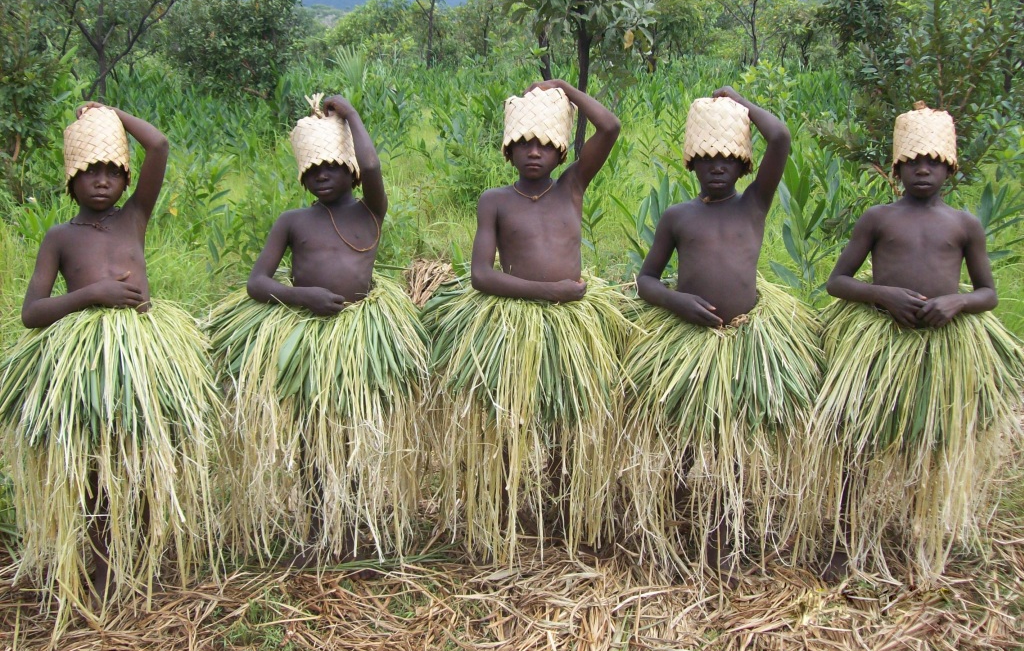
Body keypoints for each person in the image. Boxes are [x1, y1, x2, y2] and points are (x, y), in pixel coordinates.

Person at [0, 103, 219, 631]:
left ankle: (140, 562)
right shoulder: (60, 237)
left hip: (140, 353)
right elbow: (33, 313)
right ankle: (99, 568)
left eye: (112, 173)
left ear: (125, 181)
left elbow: (160, 146)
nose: (102, 182)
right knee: (97, 468)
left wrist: (114, 115)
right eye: (90, 173)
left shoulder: (133, 218)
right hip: (86, 364)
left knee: (140, 461)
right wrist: (92, 293)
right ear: (71, 181)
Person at [208, 94, 427, 567]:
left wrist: (350, 115)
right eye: (312, 170)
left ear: (348, 168)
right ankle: (315, 523)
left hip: (357, 339)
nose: (321, 176)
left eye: (331, 165)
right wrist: (301, 296)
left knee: (352, 432)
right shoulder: (292, 221)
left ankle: (349, 525)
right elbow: (256, 283)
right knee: (313, 435)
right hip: (307, 338)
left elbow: (372, 165)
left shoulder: (369, 210)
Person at [424, 79, 629, 564]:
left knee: (567, 416)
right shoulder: (494, 200)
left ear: (560, 152)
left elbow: (610, 126)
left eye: (544, 144)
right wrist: (549, 293)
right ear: (509, 150)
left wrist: (565, 91)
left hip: (570, 326)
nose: (533, 153)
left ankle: (560, 502)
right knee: (511, 418)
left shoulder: (572, 187)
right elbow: (480, 275)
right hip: (512, 323)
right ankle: (506, 504)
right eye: (523, 144)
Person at [818, 102, 1024, 581]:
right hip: (882, 339)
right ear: (898, 168)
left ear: (949, 167)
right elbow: (837, 282)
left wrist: (958, 303)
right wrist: (881, 294)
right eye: (913, 161)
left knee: (930, 441)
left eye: (933, 161)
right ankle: (846, 538)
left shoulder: (963, 224)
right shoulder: (878, 218)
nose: (923, 168)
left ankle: (919, 532)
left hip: (942, 345)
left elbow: (989, 293)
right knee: (859, 439)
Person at [624, 87, 821, 580]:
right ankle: (682, 528)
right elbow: (646, 281)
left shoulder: (755, 203)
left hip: (748, 340)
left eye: (728, 157)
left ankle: (732, 532)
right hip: (690, 343)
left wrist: (737, 101)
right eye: (707, 157)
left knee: (738, 443)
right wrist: (677, 301)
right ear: (692, 164)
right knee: (687, 440)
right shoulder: (678, 217)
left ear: (743, 166)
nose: (717, 165)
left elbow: (779, 137)